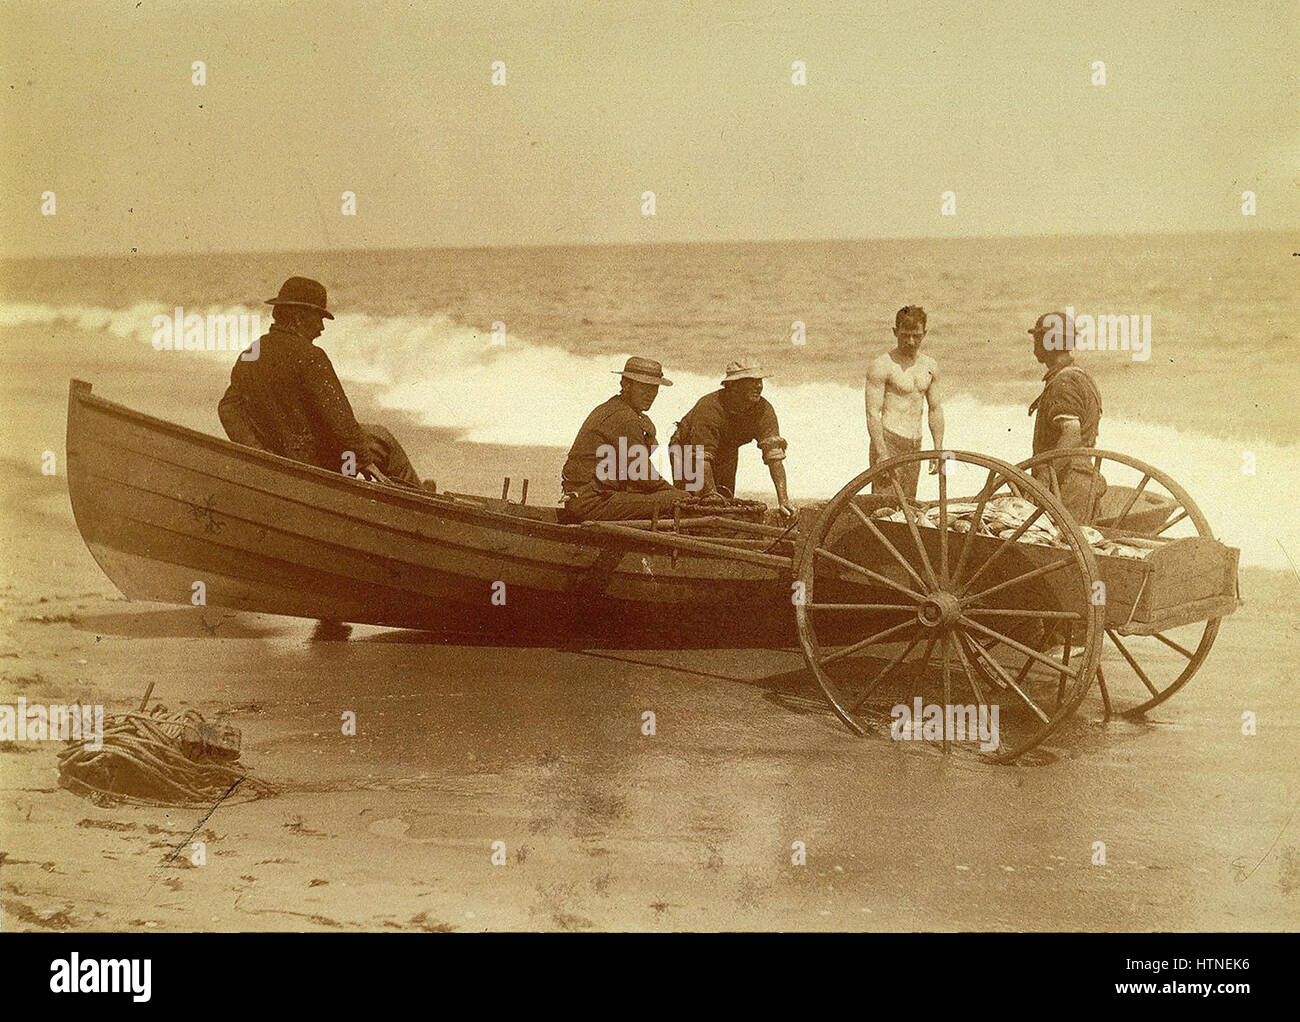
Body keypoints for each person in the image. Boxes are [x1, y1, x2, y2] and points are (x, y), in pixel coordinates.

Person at [217, 276, 429, 491]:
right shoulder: (311, 356)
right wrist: (365, 461)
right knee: (381, 439)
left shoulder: (252, 352)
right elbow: (339, 418)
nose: (321, 328)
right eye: (318, 318)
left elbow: (228, 409)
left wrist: (258, 454)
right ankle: (419, 498)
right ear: (299, 318)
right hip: (315, 465)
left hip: (277, 461)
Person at [559, 357, 689, 523]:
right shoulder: (626, 418)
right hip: (593, 503)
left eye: (654, 388)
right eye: (643, 387)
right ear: (625, 385)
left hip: (584, 498)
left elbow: (635, 466)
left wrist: (650, 436)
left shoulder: (615, 408)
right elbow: (642, 474)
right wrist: (677, 495)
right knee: (678, 500)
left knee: (671, 497)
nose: (650, 394)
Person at [668, 358, 793, 517]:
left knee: (725, 498)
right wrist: (711, 495)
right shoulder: (709, 408)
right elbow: (701, 458)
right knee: (693, 502)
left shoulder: (763, 410)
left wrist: (783, 500)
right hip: (686, 449)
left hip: (727, 448)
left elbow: (774, 457)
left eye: (760, 380)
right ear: (733, 385)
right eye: (751, 381)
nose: (759, 386)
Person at [1027, 310, 1105, 522]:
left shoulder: (1064, 382)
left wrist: (1044, 479)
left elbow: (1071, 433)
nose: (1034, 345)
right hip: (1081, 483)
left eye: (1037, 339)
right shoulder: (1081, 376)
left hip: (1067, 486)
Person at [865, 305, 945, 498]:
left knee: (908, 506)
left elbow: (935, 409)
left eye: (916, 336)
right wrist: (882, 452)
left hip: (915, 445)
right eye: (905, 335)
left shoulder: (930, 366)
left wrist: (938, 448)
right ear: (895, 332)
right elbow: (872, 414)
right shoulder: (882, 365)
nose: (911, 341)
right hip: (889, 441)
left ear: (924, 334)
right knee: (884, 508)